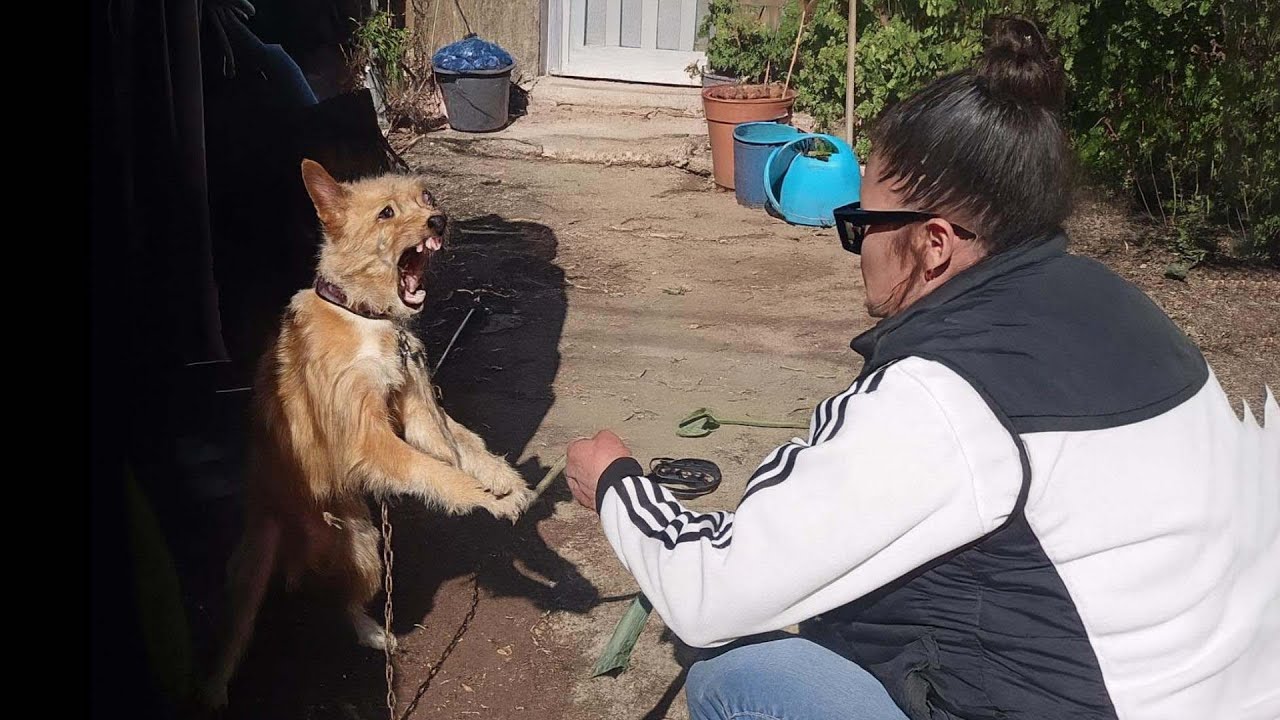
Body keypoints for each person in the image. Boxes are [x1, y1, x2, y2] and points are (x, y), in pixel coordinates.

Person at [564, 16, 1278, 720]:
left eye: (862, 225)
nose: (858, 251)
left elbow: (709, 594)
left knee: (739, 677)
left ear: (934, 243)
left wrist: (619, 486)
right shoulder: (1122, 307)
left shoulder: (943, 394)